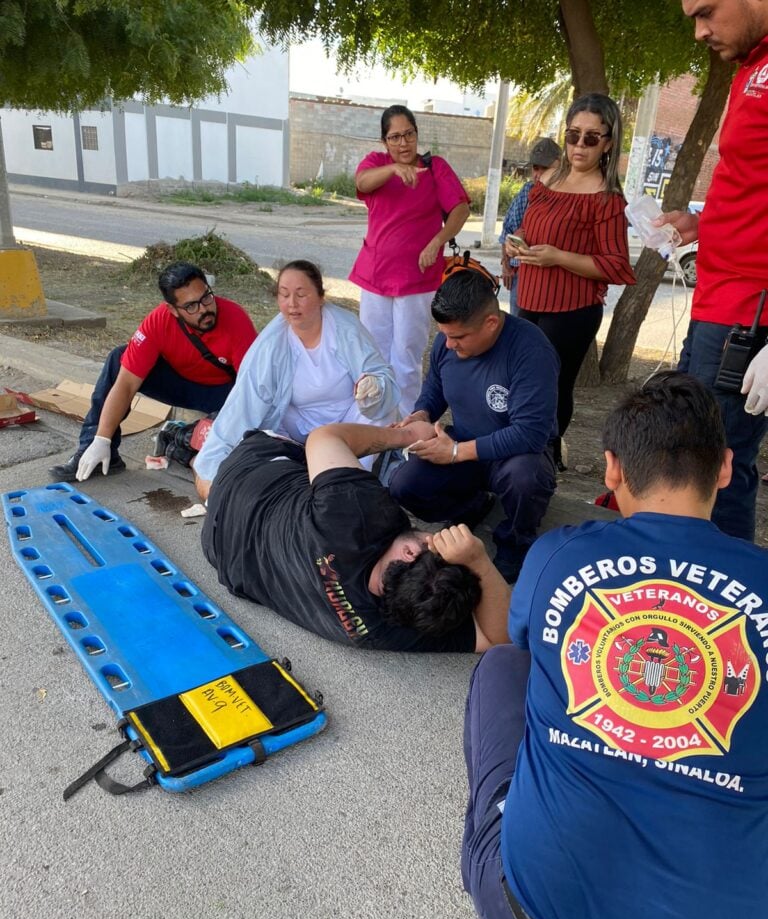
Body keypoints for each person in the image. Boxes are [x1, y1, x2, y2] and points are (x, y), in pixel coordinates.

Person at [462, 372, 768, 919]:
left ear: (611, 469)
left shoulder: (557, 557)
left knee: (501, 667)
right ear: (726, 469)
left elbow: (513, 643)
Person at [201, 420, 510, 652]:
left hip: (255, 469)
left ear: (409, 554)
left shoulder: (357, 513)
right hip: (220, 551)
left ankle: (200, 438)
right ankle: (200, 467)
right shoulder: (380, 628)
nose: (433, 537)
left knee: (291, 437)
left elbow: (324, 436)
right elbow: (500, 637)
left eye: (435, 545)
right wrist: (479, 565)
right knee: (223, 494)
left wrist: (406, 436)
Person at [657, 0, 768, 543]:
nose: (700, 32)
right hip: (717, 305)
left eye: (706, 12)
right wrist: (703, 221)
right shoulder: (751, 63)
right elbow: (751, 182)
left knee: (717, 469)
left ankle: (722, 607)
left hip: (748, 317)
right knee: (691, 454)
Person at [387, 271, 559, 584]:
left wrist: (454, 452)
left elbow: (530, 433)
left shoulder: (531, 351)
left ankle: (515, 543)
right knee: (403, 484)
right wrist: (421, 416)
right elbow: (434, 390)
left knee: (524, 479)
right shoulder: (447, 340)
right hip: (466, 443)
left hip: (518, 454)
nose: (449, 344)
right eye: (444, 335)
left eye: (459, 337)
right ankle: (474, 504)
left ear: (491, 323)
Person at [193, 260, 400, 500]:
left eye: (301, 294)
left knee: (381, 411)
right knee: (261, 439)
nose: (292, 304)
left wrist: (373, 387)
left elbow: (382, 377)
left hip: (347, 426)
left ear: (321, 297)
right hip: (297, 428)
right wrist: (211, 464)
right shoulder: (272, 344)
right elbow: (245, 401)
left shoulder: (345, 328)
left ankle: (350, 482)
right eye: (284, 295)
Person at [505, 93, 634, 471]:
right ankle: (514, 448)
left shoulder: (606, 199)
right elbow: (532, 225)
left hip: (572, 309)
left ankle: (543, 460)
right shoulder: (547, 179)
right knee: (519, 379)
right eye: (573, 135)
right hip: (528, 297)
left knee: (552, 387)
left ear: (608, 143)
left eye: (591, 138)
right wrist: (517, 243)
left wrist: (558, 257)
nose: (580, 145)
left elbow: (616, 265)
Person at [50, 261, 256, 483]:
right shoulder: (158, 321)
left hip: (223, 393)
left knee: (224, 452)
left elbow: (252, 388)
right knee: (119, 359)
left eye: (206, 297)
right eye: (191, 306)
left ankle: (179, 438)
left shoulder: (235, 318)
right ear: (172, 310)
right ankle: (93, 451)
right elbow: (126, 383)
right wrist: (102, 439)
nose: (204, 309)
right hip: (180, 383)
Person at [350, 104, 471, 413]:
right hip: (376, 275)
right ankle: (373, 415)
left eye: (409, 134)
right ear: (384, 141)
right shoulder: (376, 164)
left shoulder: (435, 168)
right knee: (373, 351)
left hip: (417, 277)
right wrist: (393, 169)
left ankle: (405, 424)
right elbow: (361, 183)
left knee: (406, 354)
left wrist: (437, 242)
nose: (403, 143)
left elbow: (460, 209)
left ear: (417, 134)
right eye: (394, 137)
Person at [498, 138, 561, 316]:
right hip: (522, 274)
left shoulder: (569, 196)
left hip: (554, 277)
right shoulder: (527, 191)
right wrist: (506, 265)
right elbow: (508, 231)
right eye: (535, 168)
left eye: (545, 168)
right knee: (521, 328)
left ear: (560, 165)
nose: (538, 174)